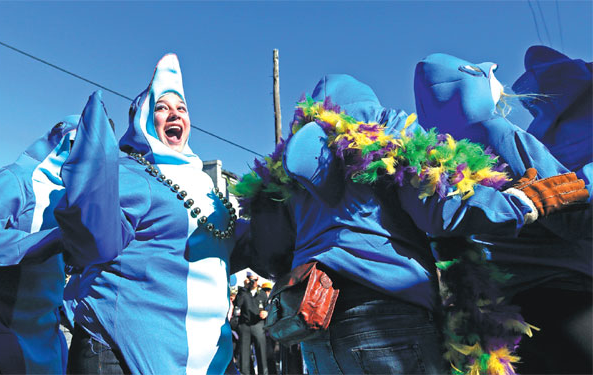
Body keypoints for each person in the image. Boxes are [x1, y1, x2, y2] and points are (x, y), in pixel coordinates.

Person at [231, 73, 589, 374]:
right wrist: (523, 202)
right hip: (388, 317)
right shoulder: (381, 136)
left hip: (313, 325)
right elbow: (439, 210)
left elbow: (267, 254)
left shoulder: (286, 179)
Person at [60, 53, 247, 374]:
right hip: (120, 350)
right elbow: (90, 236)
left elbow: (232, 244)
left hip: (207, 352)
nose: (174, 113)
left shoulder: (204, 184)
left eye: (182, 108)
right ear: (144, 119)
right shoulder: (130, 173)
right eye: (162, 107)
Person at [414, 46, 592, 374]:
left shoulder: (436, 160)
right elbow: (569, 214)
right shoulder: (499, 133)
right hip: (562, 294)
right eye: (489, 75)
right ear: (470, 84)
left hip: (504, 311)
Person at [0, 91, 118, 374]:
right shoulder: (17, 180)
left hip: (47, 337)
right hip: (3, 334)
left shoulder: (71, 199)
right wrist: (51, 241)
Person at [235, 272, 270, 375]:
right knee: (244, 355)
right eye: (250, 279)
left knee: (261, 354)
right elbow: (237, 304)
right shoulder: (243, 292)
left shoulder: (262, 294)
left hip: (258, 325)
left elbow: (269, 307)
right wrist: (244, 289)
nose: (252, 282)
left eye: (254, 280)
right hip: (245, 325)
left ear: (258, 280)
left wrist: (266, 313)